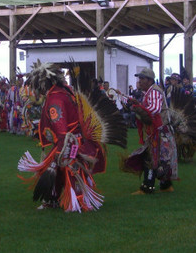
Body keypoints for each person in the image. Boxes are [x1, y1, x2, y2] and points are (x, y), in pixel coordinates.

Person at [17, 61, 126, 212]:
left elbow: (60, 127)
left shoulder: (56, 99)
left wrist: (62, 150)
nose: (38, 89)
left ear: (44, 83)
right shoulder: (65, 91)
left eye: (39, 85)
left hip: (69, 142)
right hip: (75, 139)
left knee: (71, 171)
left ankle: (77, 201)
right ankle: (56, 199)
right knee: (61, 171)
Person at [121, 67, 178, 194]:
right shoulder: (149, 92)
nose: (139, 81)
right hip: (157, 131)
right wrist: (138, 105)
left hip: (160, 131)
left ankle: (148, 187)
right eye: (139, 78)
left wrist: (138, 109)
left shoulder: (154, 91)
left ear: (149, 80)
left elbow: (155, 109)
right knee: (161, 159)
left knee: (151, 158)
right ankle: (165, 185)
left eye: (142, 78)